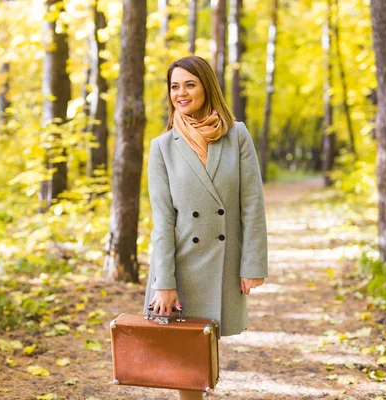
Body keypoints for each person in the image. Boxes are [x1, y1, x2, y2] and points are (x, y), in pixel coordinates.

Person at [143, 55, 268, 400]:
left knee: (206, 350)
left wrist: (253, 264)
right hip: (180, 263)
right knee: (186, 359)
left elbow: (252, 203)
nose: (181, 93)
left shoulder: (236, 135)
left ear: (206, 87)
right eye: (174, 86)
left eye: (189, 84)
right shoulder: (162, 147)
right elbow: (163, 221)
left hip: (224, 259)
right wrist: (163, 282)